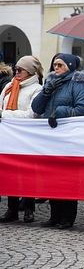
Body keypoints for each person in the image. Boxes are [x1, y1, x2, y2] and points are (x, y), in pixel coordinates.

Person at [31, 53, 84, 229]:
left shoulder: (77, 84)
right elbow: (36, 107)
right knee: (51, 177)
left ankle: (67, 217)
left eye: (60, 65)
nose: (56, 68)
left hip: (68, 138)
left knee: (68, 178)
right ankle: (54, 215)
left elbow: (82, 108)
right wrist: (46, 91)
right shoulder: (50, 83)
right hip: (50, 138)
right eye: (55, 65)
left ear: (70, 67)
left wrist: (61, 111)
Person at [0, 56, 43, 223]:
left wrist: (5, 115)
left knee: (26, 174)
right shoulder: (9, 87)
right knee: (10, 173)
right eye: (16, 69)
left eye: (20, 70)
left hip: (26, 137)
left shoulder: (36, 89)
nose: (16, 72)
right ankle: (12, 209)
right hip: (9, 136)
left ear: (30, 72)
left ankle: (28, 208)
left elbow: (32, 114)